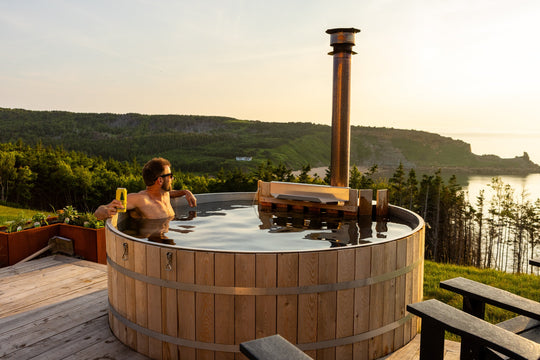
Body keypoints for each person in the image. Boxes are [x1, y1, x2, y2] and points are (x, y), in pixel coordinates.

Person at [94, 157, 197, 220]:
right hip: (151, 246)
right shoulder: (141, 199)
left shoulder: (164, 194)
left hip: (167, 237)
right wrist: (105, 211)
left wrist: (185, 192)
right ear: (160, 181)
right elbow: (98, 213)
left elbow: (171, 193)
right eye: (170, 176)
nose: (172, 178)